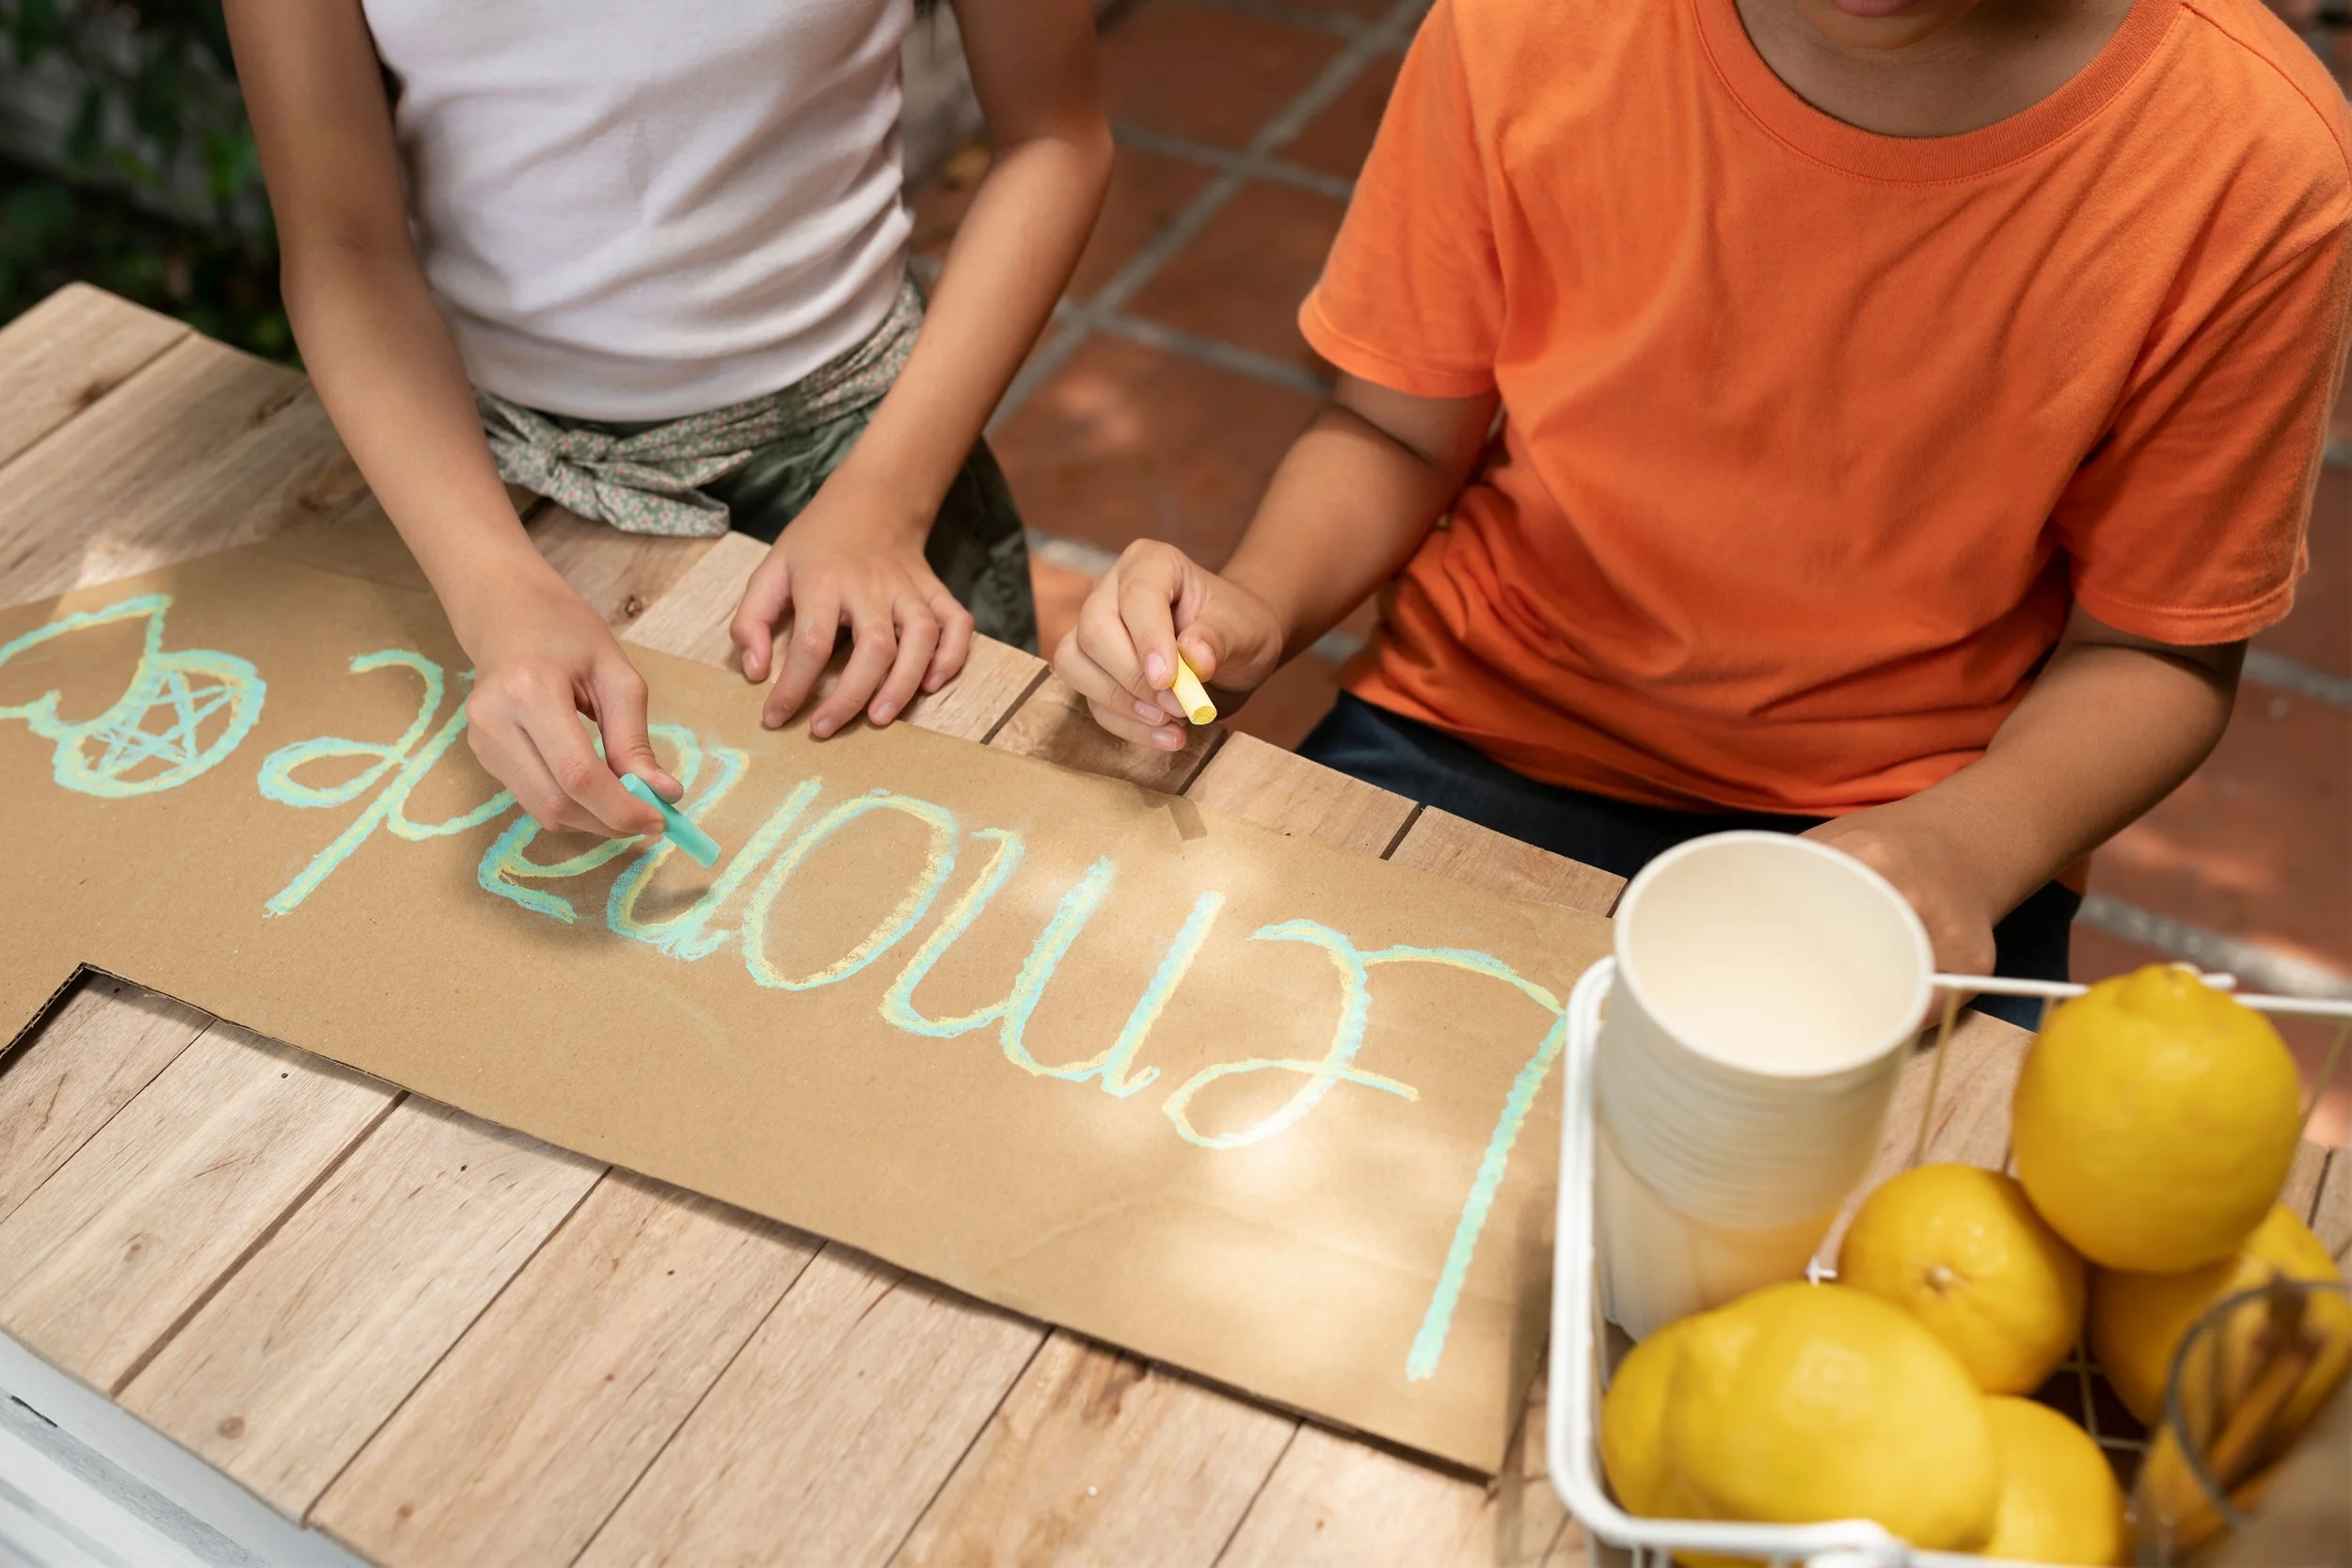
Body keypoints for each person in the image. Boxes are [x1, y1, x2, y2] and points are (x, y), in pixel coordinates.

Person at [1055, 0, 2351, 1025]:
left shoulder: (2249, 158)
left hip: (1924, 822)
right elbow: (1396, 429)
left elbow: (2156, 648)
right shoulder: (1521, 25)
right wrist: (1259, 599)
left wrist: (1968, 845)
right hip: (1475, 732)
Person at [224, 0, 1110, 840]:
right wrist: (493, 590)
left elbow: (1054, 139)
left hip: (867, 471)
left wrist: (886, 499)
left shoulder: (881, 492)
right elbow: (342, 243)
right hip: (469, 488)